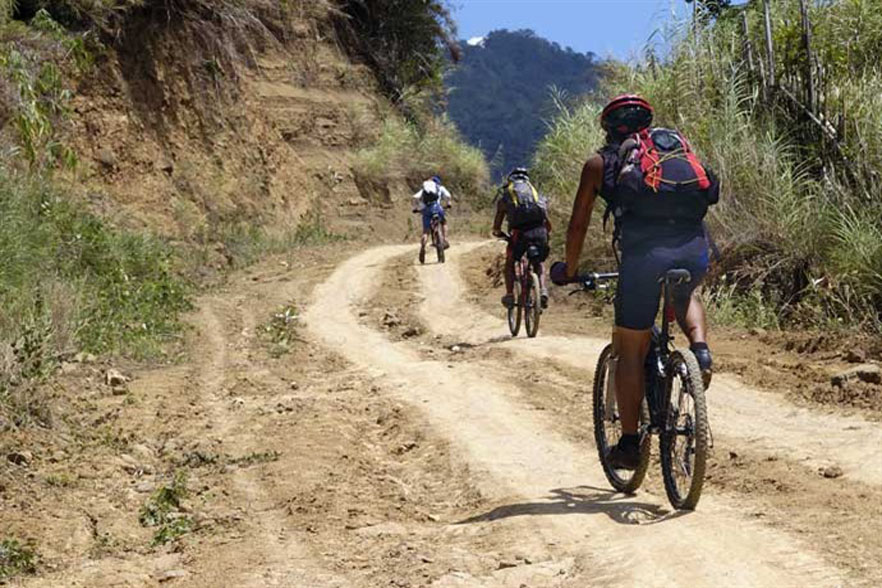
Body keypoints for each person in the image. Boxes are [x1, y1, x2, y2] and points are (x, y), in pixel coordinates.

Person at [550, 94, 718, 470]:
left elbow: (578, 224)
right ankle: (700, 350)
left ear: (607, 128)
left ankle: (628, 444)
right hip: (694, 248)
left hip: (644, 257)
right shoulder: (672, 149)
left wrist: (570, 268)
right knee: (685, 291)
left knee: (629, 349)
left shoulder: (600, 163)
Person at [492, 167, 552, 309]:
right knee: (539, 263)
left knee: (510, 262)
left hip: (519, 234)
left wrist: (497, 231)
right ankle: (542, 289)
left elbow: (497, 224)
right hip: (539, 232)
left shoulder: (506, 196)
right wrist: (546, 234)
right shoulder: (536, 194)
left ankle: (509, 294)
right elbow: (547, 222)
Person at [412, 176, 452, 259]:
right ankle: (444, 239)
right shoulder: (440, 188)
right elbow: (448, 195)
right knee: (444, 222)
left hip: (426, 210)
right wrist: (449, 203)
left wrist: (415, 208)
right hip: (438, 208)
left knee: (426, 232)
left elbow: (415, 197)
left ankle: (423, 248)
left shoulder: (424, 190)